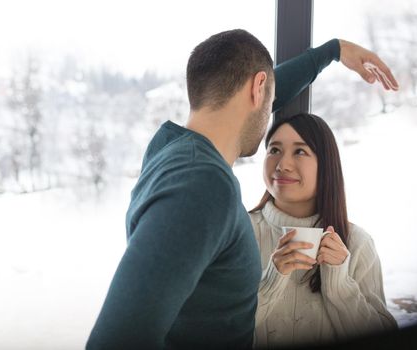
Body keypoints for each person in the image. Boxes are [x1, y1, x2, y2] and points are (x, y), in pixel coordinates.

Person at [86, 29, 398, 349]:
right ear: (258, 87)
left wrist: (332, 51)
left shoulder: (168, 148)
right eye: (270, 96)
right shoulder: (201, 187)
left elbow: (259, 96)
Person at [249, 113, 397, 349]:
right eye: (274, 150)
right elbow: (215, 332)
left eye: (300, 151)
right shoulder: (238, 233)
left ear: (326, 164)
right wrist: (271, 280)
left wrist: (339, 284)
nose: (282, 164)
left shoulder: (357, 243)